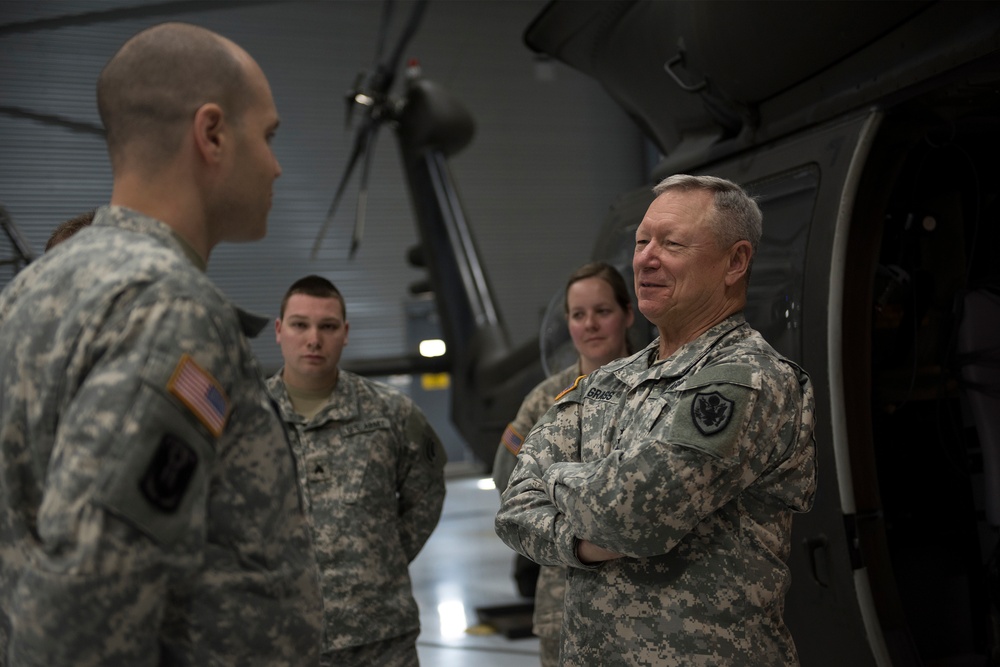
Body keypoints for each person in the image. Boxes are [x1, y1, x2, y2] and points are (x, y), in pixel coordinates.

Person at [0, 23, 322, 666]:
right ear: (211, 134)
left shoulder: (33, 290)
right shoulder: (171, 307)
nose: (277, 165)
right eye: (268, 136)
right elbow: (90, 592)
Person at [495, 174, 817, 666]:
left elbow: (633, 516)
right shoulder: (609, 380)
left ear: (736, 262)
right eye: (643, 240)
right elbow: (514, 509)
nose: (645, 257)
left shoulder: (746, 381)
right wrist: (579, 544)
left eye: (672, 243)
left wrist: (553, 475)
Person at [267, 274, 447, 667]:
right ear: (279, 331)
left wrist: (382, 556)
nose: (313, 339)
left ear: (345, 333)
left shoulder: (392, 413)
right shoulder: (245, 419)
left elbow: (427, 492)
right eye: (300, 325)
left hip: (381, 638)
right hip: (279, 635)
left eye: (327, 326)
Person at [492, 261, 634, 665]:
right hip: (565, 603)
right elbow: (509, 488)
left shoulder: (660, 385)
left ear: (627, 313)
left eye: (602, 311)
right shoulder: (546, 400)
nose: (590, 324)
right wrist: (577, 536)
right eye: (578, 315)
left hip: (649, 607)